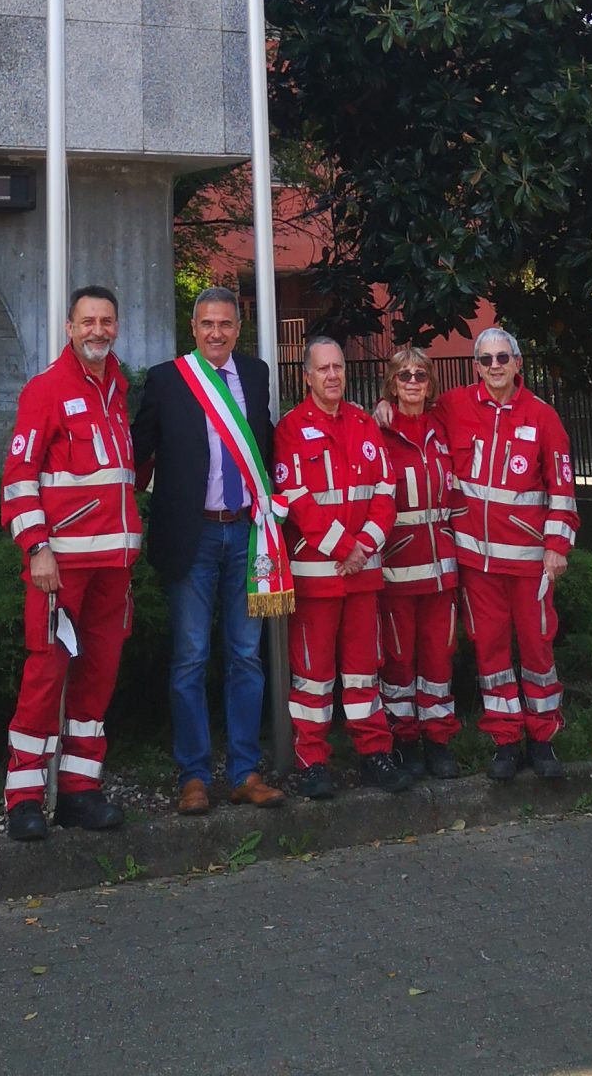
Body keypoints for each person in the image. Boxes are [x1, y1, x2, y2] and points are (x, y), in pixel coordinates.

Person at [131, 287, 289, 813]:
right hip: (192, 537)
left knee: (246, 657)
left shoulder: (256, 374)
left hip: (246, 534)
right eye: (206, 324)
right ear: (193, 329)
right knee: (191, 658)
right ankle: (193, 776)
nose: (216, 333)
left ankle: (245, 771)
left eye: (225, 324)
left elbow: (270, 439)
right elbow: (136, 449)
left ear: (238, 329)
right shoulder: (167, 379)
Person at [0, 284, 140, 841]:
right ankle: (24, 798)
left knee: (97, 681)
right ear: (69, 328)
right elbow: (18, 479)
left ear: (116, 327)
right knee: (45, 677)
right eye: (88, 321)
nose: (97, 330)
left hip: (113, 568)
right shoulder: (46, 390)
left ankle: (80, 791)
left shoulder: (118, 389)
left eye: (106, 321)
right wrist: (37, 548)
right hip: (61, 568)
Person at [436, 324, 579, 780]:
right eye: (486, 359)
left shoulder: (543, 417)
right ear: (476, 366)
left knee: (538, 649)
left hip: (530, 563)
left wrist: (557, 547)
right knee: (491, 653)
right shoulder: (453, 406)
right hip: (477, 564)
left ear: (517, 362)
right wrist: (383, 408)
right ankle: (505, 741)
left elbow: (562, 488)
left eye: (503, 358)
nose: (495, 366)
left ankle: (543, 739)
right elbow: (411, 414)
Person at [272, 335, 406, 799]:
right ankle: (312, 761)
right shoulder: (290, 428)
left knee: (364, 671)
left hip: (362, 574)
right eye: (323, 368)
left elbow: (386, 492)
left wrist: (362, 547)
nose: (332, 376)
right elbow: (296, 500)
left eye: (338, 367)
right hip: (317, 576)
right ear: (306, 376)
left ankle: (374, 754)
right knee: (312, 675)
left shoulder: (364, 424)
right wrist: (345, 548)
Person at [377, 343, 462, 779]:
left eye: (420, 375)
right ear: (392, 385)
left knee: (439, 658)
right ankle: (405, 740)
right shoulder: (378, 432)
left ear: (430, 385)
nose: (413, 382)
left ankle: (438, 739)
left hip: (441, 570)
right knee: (398, 660)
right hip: (396, 569)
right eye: (404, 375)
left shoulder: (442, 427)